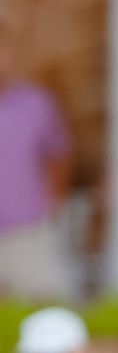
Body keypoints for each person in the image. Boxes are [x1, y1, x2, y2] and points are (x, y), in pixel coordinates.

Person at [0, 21, 72, 301]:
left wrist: (52, 200)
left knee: (47, 308)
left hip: (27, 232)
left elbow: (59, 155)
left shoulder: (36, 103)